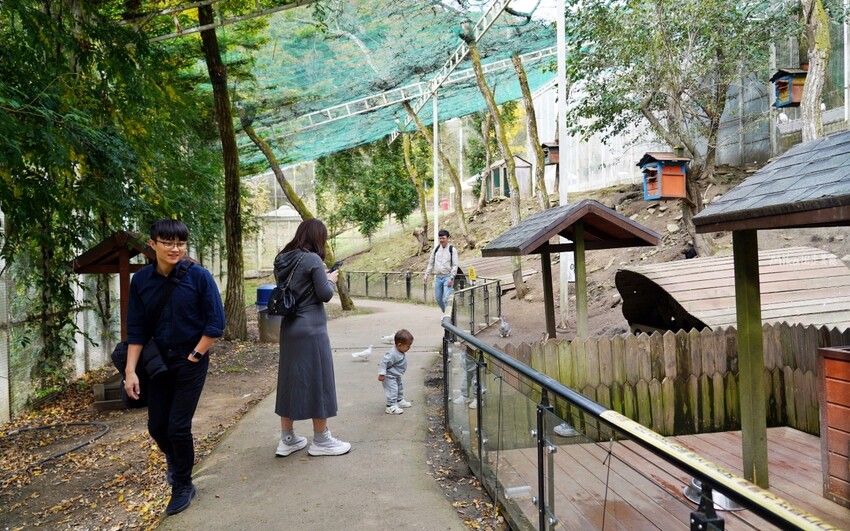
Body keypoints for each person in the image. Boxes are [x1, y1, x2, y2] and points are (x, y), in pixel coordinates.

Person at [124, 218, 226, 516]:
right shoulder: (141, 280)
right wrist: (130, 371)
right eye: (168, 243)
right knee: (157, 426)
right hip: (157, 362)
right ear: (152, 244)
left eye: (180, 243)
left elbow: (215, 323)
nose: (175, 249)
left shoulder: (199, 277)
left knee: (178, 426)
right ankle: (176, 459)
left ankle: (182, 484)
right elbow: (136, 328)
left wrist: (195, 354)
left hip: (191, 359)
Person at [273, 218, 351, 457]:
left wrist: (319, 276)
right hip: (311, 330)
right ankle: (321, 440)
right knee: (319, 380)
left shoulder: (282, 258)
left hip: (289, 328)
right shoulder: (313, 259)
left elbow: (296, 286)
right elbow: (325, 294)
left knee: (289, 381)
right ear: (318, 238)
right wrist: (330, 279)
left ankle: (287, 439)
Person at [378, 329, 414, 415]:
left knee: (399, 388)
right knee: (392, 390)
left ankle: (399, 400)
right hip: (389, 377)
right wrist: (382, 374)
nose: (409, 348)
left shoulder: (400, 351)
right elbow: (384, 362)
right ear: (399, 345)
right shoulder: (392, 354)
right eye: (408, 346)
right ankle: (390, 406)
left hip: (396, 375)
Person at [423, 229, 460, 312]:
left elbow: (455, 265)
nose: (441, 240)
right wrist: (426, 275)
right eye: (440, 238)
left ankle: (448, 316)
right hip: (438, 277)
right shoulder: (436, 249)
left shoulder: (452, 250)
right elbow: (431, 263)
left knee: (446, 298)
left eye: (443, 238)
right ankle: (445, 313)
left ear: (447, 238)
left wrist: (451, 277)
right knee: (438, 298)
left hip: (448, 277)